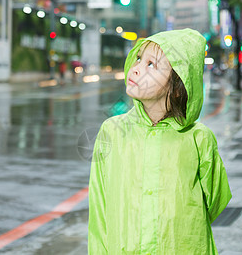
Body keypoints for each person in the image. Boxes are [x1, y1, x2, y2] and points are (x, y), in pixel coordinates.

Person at [88, 29, 232, 254]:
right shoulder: (112, 131)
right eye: (138, 59)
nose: (135, 69)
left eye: (151, 65)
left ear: (177, 86)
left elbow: (214, 201)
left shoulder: (198, 138)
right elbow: (100, 205)